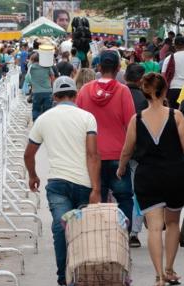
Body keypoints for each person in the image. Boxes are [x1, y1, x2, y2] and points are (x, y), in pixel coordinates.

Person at [117, 73, 184, 286]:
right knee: (173, 223)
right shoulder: (176, 116)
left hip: (148, 177)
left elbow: (127, 150)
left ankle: (158, 277)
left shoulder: (136, 120)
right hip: (175, 176)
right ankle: (170, 269)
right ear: (165, 91)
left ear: (145, 91)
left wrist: (120, 168)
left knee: (154, 228)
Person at [24, 76, 101, 286]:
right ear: (75, 95)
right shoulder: (88, 117)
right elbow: (93, 155)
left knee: (61, 229)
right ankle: (83, 274)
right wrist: (96, 188)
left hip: (58, 183)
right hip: (85, 183)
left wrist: (33, 175)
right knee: (85, 231)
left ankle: (63, 280)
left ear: (54, 96)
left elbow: (29, 154)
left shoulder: (44, 119)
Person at [76, 50, 135, 228]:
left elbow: (78, 122)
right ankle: (124, 234)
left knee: (96, 195)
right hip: (118, 154)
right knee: (124, 197)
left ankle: (99, 234)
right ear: (118, 68)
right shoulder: (123, 91)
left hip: (93, 154)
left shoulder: (85, 91)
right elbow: (131, 124)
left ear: (99, 67)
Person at [123, 63, 147, 247]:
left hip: (117, 149)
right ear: (141, 80)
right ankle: (134, 232)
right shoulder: (143, 99)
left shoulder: (118, 94)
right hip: (139, 151)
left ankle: (118, 227)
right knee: (137, 193)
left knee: (118, 192)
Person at [27, 53, 55, 121]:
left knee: (36, 110)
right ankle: (46, 125)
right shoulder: (47, 66)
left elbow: (28, 64)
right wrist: (52, 85)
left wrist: (31, 59)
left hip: (36, 92)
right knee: (47, 111)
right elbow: (52, 76)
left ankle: (36, 124)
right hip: (48, 92)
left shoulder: (31, 67)